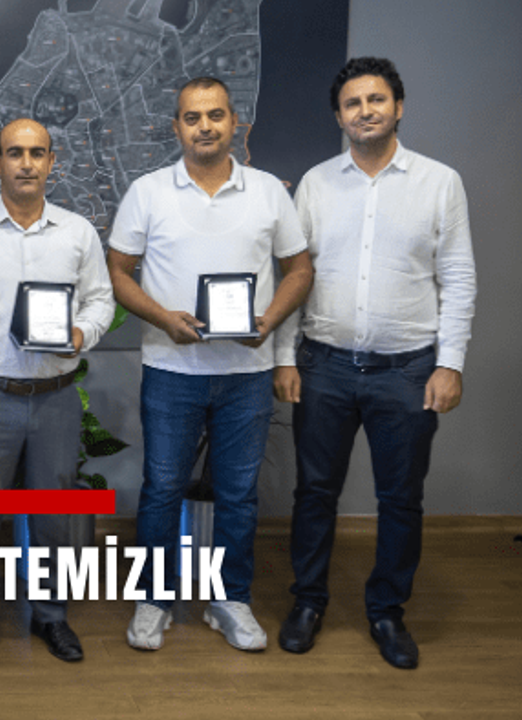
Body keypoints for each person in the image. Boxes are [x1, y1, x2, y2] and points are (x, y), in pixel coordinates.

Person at [272, 58, 476, 670]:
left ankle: (387, 611)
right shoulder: (316, 183)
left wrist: (450, 363)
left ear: (398, 107)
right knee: (314, 493)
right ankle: (308, 602)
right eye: (353, 103)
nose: (365, 111)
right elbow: (295, 275)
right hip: (324, 366)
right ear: (339, 117)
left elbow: (458, 277)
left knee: (401, 499)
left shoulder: (440, 183)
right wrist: (284, 356)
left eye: (376, 99)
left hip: (408, 371)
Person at [106, 76, 313, 653]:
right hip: (172, 371)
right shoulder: (148, 192)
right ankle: (154, 600)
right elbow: (118, 271)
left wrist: (268, 322)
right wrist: (162, 317)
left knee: (239, 494)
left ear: (233, 122)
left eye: (215, 115)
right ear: (176, 127)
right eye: (192, 117)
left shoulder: (268, 191)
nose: (205, 127)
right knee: (162, 489)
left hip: (247, 373)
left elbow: (299, 270)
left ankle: (230, 600)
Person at [0, 117, 116, 667]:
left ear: (52, 162)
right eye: (15, 153)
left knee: (53, 517)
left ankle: (51, 616)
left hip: (56, 396)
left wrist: (82, 333)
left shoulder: (77, 233)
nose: (27, 163)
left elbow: (101, 301)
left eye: (37, 153)